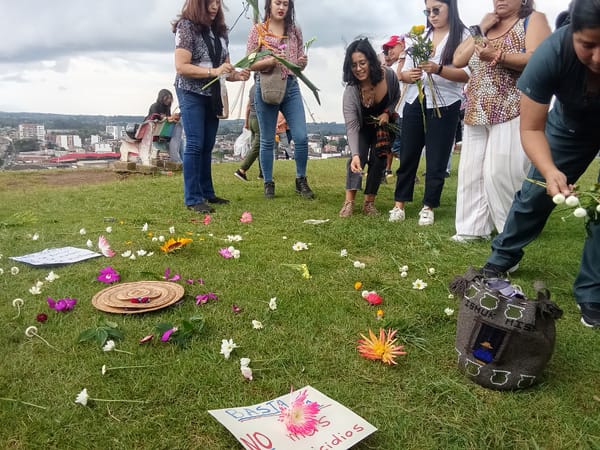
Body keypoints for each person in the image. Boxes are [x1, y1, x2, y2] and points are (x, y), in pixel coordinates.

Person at [482, 0, 600, 328]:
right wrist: (550, 171)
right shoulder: (551, 53)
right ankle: (500, 260)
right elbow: (531, 128)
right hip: (570, 126)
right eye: (588, 45)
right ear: (571, 33)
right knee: (536, 193)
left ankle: (593, 292)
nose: (598, 58)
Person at [451, 0, 551, 241]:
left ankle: (512, 230)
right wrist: (480, 28)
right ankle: (471, 229)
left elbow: (539, 58)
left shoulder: (532, 20)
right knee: (471, 172)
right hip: (478, 107)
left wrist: (498, 55)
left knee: (501, 172)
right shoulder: (487, 24)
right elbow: (458, 60)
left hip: (512, 105)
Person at [389, 0, 469, 225]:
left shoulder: (463, 36)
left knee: (437, 156)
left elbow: (467, 74)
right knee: (408, 153)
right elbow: (402, 73)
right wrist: (410, 75)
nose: (432, 15)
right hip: (416, 98)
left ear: (449, 8)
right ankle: (399, 204)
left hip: (445, 102)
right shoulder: (420, 36)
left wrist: (439, 69)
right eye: (428, 11)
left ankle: (429, 205)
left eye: (437, 10)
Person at [172, 0, 250, 214]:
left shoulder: (221, 32)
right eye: (210, 2)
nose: (215, 6)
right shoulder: (186, 27)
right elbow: (181, 67)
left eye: (218, 2)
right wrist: (213, 72)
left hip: (213, 94)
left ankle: (207, 192)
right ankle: (193, 198)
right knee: (195, 144)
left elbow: (224, 69)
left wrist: (237, 75)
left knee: (207, 145)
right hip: (190, 92)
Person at [246, 0, 314, 199]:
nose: (281, 7)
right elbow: (249, 62)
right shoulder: (258, 30)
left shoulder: (294, 30)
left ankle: (300, 179)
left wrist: (302, 63)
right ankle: (268, 182)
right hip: (266, 86)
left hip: (291, 85)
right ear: (269, 5)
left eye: (285, 3)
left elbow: (299, 60)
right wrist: (270, 61)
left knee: (301, 137)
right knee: (267, 139)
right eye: (277, 2)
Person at [338, 38, 400, 217]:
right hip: (362, 127)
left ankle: (369, 203)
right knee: (358, 160)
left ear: (371, 61)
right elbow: (351, 126)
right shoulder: (351, 91)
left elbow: (396, 96)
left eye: (362, 63)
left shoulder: (388, 76)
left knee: (379, 159)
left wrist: (387, 112)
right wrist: (356, 154)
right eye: (353, 65)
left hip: (383, 126)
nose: (358, 69)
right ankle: (349, 202)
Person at [381, 35, 407, 183]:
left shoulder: (405, 62)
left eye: (392, 47)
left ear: (401, 45)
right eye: (387, 49)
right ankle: (386, 171)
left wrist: (402, 60)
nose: (389, 51)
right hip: (394, 110)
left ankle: (404, 171)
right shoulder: (392, 65)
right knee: (392, 144)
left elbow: (398, 77)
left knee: (397, 145)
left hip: (402, 110)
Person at [145, 89, 184, 163]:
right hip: (155, 135)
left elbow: (168, 121)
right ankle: (179, 162)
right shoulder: (155, 106)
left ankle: (183, 162)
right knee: (177, 143)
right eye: (167, 98)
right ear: (162, 97)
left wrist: (174, 118)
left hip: (164, 134)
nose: (169, 100)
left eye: (170, 98)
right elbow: (153, 118)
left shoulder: (167, 108)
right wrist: (168, 118)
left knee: (181, 142)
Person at [234, 82, 262, 181]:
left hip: (251, 119)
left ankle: (262, 172)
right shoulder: (263, 85)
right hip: (259, 119)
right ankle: (242, 170)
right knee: (257, 146)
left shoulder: (252, 88)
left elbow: (248, 107)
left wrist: (246, 122)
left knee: (259, 147)